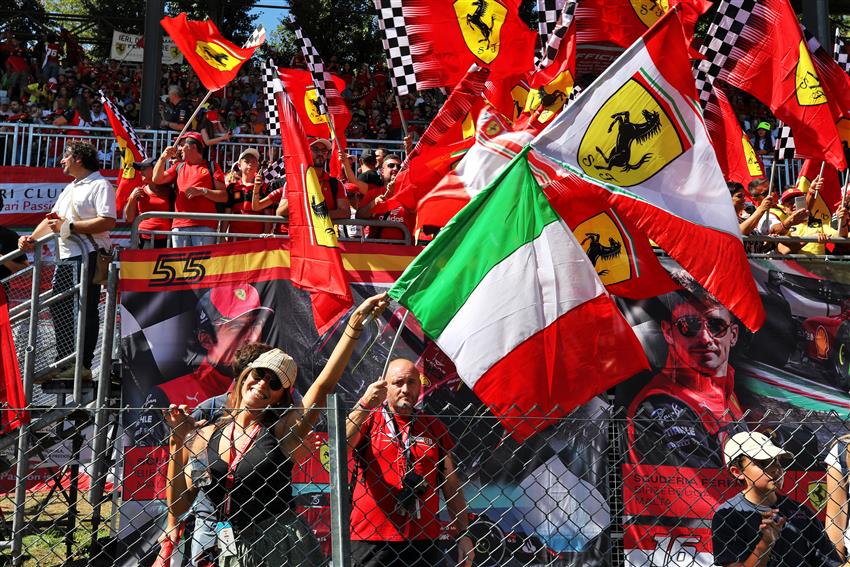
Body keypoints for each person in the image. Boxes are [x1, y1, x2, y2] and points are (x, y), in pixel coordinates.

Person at [163, 293, 389, 566]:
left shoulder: (283, 431)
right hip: (221, 546)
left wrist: (354, 323)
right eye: (259, 375)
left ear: (280, 396)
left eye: (274, 384)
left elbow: (324, 385)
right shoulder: (208, 433)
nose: (262, 385)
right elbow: (178, 506)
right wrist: (178, 442)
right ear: (245, 375)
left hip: (276, 546)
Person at [346, 359, 474, 567]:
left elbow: (451, 485)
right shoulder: (370, 419)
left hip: (423, 540)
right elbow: (339, 446)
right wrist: (365, 403)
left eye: (412, 382)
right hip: (371, 539)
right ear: (385, 386)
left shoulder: (433, 426)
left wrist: (464, 534)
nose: (405, 389)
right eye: (398, 382)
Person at [18, 141, 116, 379]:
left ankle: (82, 364)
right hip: (67, 258)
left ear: (78, 159)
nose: (62, 160)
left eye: (66, 156)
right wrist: (31, 238)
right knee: (59, 306)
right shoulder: (71, 187)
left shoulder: (100, 185)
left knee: (85, 309)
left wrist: (69, 226)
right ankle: (64, 362)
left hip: (90, 255)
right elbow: (53, 219)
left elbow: (108, 221)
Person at [627, 273, 746, 469]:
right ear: (668, 332)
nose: (705, 338)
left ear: (733, 335)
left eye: (716, 326)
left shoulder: (727, 391)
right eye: (689, 326)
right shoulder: (660, 404)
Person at [712, 431, 840, 566]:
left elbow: (830, 562)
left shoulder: (801, 511)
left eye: (777, 461)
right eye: (762, 463)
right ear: (737, 472)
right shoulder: (728, 515)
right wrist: (765, 543)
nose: (775, 469)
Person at [153, 284, 273, 407]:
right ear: (206, 340)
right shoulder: (169, 396)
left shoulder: (278, 392)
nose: (252, 337)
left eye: (255, 324)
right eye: (238, 328)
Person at [151, 131, 227, 248]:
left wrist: (202, 191)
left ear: (194, 146)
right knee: (181, 265)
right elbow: (157, 179)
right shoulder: (178, 166)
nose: (179, 148)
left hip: (204, 225)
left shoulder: (212, 166)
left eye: (182, 145)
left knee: (201, 265)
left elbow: (223, 196)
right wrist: (162, 158)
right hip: (179, 225)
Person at [121, 157, 174, 249]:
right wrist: (132, 198)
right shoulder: (139, 192)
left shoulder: (170, 191)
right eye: (140, 169)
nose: (140, 172)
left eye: (144, 169)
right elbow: (129, 218)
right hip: (144, 239)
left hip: (167, 238)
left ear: (155, 169)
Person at [223, 148, 271, 238]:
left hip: (256, 240)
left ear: (257, 165)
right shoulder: (231, 187)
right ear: (239, 165)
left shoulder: (264, 187)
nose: (250, 164)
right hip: (235, 238)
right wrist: (221, 236)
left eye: (254, 162)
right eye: (247, 161)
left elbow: (268, 216)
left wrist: (265, 239)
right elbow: (227, 213)